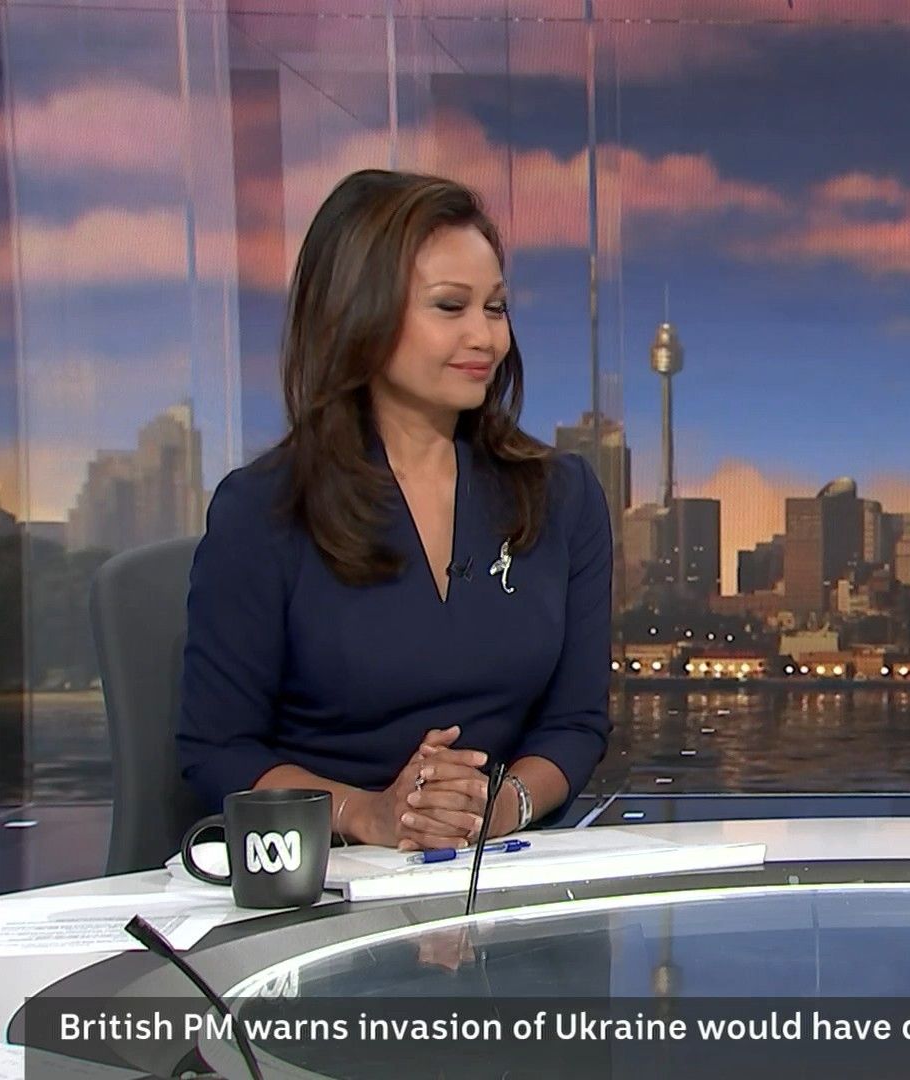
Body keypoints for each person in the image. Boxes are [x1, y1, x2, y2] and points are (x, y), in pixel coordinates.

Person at [178, 169, 612, 850]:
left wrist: (503, 806)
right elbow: (219, 748)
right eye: (450, 307)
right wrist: (368, 814)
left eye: (495, 308)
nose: (486, 338)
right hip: (327, 870)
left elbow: (576, 724)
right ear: (360, 315)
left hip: (499, 865)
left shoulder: (562, 495)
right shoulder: (264, 510)